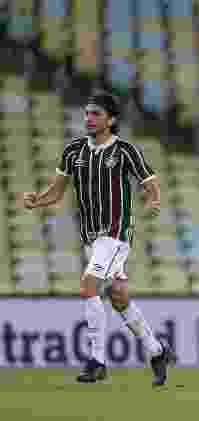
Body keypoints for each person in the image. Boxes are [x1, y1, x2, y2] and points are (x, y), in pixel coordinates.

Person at [22, 92, 175, 386]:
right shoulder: (74, 151)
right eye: (87, 113)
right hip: (93, 236)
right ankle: (157, 351)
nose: (89, 119)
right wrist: (36, 201)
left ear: (111, 120)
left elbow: (149, 180)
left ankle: (97, 361)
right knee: (118, 297)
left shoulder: (125, 150)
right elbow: (56, 191)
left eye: (96, 114)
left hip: (117, 232)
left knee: (89, 283)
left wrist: (153, 199)